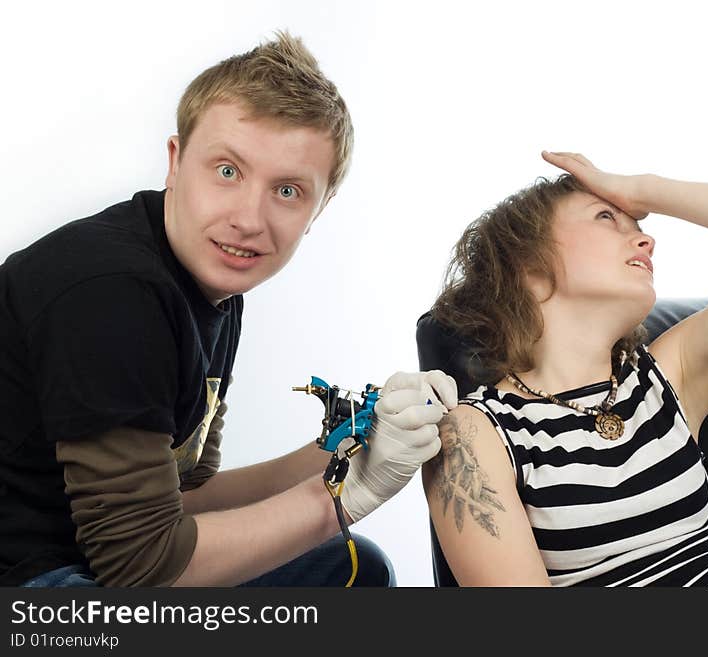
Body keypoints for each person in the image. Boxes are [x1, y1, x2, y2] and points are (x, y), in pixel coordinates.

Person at [0, 31, 457, 588]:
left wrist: (349, 445)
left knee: (354, 569)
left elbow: (184, 499)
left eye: (287, 191)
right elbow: (144, 568)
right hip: (29, 576)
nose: (248, 219)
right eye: (227, 171)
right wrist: (342, 498)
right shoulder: (113, 292)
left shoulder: (210, 283)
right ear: (175, 161)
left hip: (89, 554)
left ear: (320, 206)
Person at [423, 151, 708, 586]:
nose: (646, 239)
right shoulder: (471, 434)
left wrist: (640, 190)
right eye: (606, 218)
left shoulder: (666, 378)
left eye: (637, 225)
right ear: (528, 264)